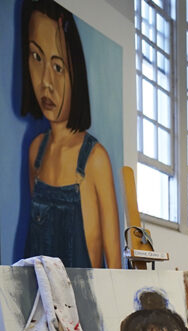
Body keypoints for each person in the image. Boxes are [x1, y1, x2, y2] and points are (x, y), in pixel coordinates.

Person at [21, 0, 121, 269]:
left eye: (57, 67)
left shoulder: (95, 159)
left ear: (75, 72)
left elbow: (114, 263)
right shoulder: (36, 153)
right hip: (40, 307)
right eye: (36, 57)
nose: (45, 82)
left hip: (84, 308)